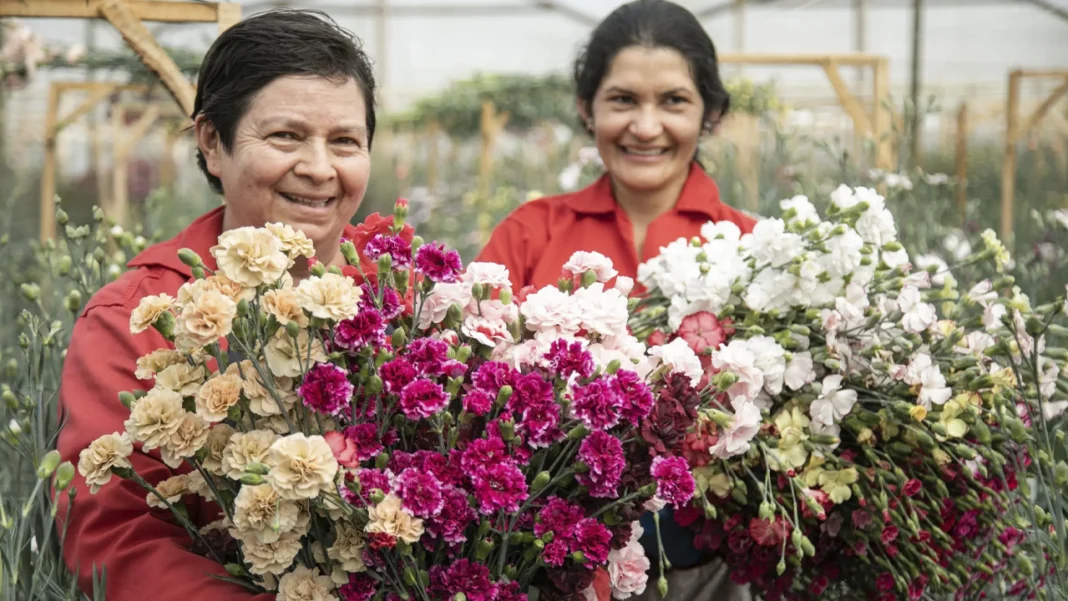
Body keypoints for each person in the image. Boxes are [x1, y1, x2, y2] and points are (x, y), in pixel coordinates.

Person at [54, 10, 378, 601]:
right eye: (285, 136)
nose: (319, 167)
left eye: (345, 142)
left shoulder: (405, 301)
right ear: (212, 143)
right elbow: (116, 530)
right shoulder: (139, 318)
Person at [475, 1, 756, 599]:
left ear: (712, 113)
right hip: (544, 566)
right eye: (623, 100)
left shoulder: (754, 250)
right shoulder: (530, 234)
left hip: (709, 575)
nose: (646, 127)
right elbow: (470, 381)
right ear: (587, 108)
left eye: (673, 101)